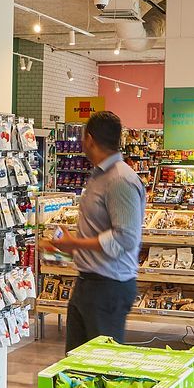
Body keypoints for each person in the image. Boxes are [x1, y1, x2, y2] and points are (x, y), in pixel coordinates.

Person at [51, 110, 146, 350]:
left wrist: (74, 244)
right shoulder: (98, 176)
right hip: (87, 284)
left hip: (109, 288)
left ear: (89, 139)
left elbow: (125, 238)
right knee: (76, 365)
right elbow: (97, 229)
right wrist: (63, 251)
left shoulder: (120, 180)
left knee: (103, 367)